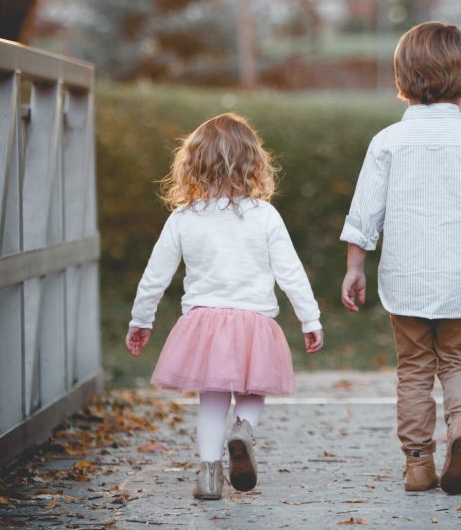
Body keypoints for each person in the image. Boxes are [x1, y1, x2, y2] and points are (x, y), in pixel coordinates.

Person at [340, 21, 461, 495]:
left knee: (415, 370)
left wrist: (355, 266)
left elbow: (365, 212)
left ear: (402, 76)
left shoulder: (387, 141)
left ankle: (418, 463)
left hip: (405, 282)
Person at [126, 112, 323, 500]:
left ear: (192, 164)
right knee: (252, 392)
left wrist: (141, 319)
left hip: (204, 325)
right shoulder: (265, 215)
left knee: (211, 400)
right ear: (253, 162)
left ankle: (209, 476)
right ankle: (243, 430)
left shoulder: (183, 218)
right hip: (254, 323)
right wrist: (310, 318)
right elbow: (291, 273)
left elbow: (155, 275)